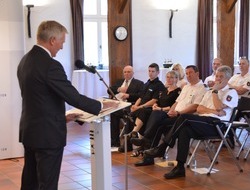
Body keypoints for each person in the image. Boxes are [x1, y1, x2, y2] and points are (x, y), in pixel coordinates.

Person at [17, 20, 118, 190]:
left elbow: (39, 99)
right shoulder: (50, 65)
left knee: (30, 182)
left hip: (31, 131)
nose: (62, 47)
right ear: (52, 40)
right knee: (47, 184)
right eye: (62, 42)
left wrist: (62, 117)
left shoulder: (25, 60)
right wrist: (101, 106)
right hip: (48, 136)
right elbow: (73, 97)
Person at [146, 65, 238, 179]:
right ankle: (180, 167)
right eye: (217, 76)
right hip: (204, 120)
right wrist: (213, 110)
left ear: (228, 78)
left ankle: (162, 147)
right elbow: (199, 108)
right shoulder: (209, 91)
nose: (217, 79)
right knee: (184, 131)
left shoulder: (230, 92)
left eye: (221, 76)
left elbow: (219, 107)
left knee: (184, 117)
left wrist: (215, 92)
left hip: (217, 124)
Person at [131, 65, 207, 166]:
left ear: (197, 74)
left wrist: (178, 113)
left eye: (190, 73)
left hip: (185, 117)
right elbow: (176, 102)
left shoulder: (202, 88)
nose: (188, 75)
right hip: (174, 114)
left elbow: (195, 107)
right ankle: (148, 155)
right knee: (156, 118)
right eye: (187, 73)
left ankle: (146, 145)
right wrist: (171, 111)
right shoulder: (186, 87)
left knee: (158, 119)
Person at [130, 70, 181, 157]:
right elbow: (157, 101)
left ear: (176, 79)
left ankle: (144, 141)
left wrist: (160, 109)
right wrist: (155, 105)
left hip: (168, 113)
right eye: (167, 77)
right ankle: (145, 146)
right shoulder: (164, 90)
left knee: (156, 114)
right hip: (158, 111)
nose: (169, 79)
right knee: (146, 114)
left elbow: (173, 106)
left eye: (172, 77)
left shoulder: (178, 91)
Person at [118, 63, 166, 152]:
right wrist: (135, 105)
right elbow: (140, 97)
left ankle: (134, 132)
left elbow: (154, 101)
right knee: (130, 114)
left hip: (150, 108)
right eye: (149, 71)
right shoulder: (147, 83)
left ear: (158, 72)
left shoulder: (159, 85)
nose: (150, 73)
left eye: (153, 71)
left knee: (142, 111)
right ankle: (127, 144)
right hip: (140, 107)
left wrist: (139, 107)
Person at [108, 65, 144, 147]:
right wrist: (118, 89)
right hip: (118, 105)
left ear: (133, 73)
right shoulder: (119, 82)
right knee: (113, 113)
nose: (127, 74)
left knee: (128, 114)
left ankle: (128, 143)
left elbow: (141, 95)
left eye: (129, 72)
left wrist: (128, 95)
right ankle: (114, 142)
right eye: (125, 72)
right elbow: (109, 90)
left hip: (130, 105)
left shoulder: (139, 83)